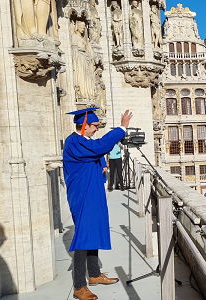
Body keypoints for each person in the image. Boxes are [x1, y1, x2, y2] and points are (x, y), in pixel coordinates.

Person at [63, 108, 133, 300]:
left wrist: (102, 161)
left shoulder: (83, 141)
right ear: (84, 125)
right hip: (83, 195)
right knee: (84, 236)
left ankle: (94, 275)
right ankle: (79, 286)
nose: (96, 129)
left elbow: (95, 150)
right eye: (95, 126)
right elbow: (97, 147)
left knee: (93, 231)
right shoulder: (73, 141)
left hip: (92, 192)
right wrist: (122, 128)